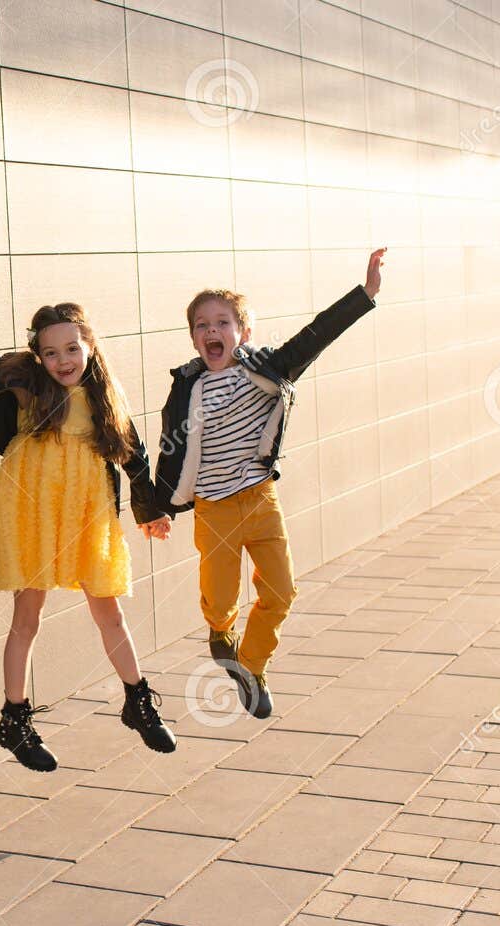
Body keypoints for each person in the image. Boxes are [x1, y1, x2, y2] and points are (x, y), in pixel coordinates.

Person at [0, 253, 176, 771]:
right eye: (51, 351)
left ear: (89, 346)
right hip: (31, 506)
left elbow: (134, 453)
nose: (63, 359)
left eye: (72, 348)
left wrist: (149, 510)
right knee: (27, 615)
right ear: (38, 355)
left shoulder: (104, 395)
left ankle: (137, 701)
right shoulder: (28, 382)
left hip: (85, 508)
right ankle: (14, 719)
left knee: (108, 608)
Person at [155, 248, 388, 717]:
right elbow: (168, 451)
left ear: (243, 333)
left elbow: (314, 337)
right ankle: (221, 631)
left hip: (261, 499)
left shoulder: (267, 370)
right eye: (202, 325)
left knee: (280, 593)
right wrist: (156, 507)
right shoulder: (187, 387)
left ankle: (251, 667)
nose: (212, 331)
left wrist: (364, 294)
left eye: (223, 322)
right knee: (219, 601)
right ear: (193, 337)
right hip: (214, 509)